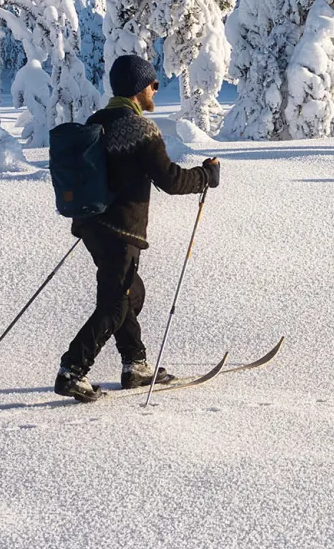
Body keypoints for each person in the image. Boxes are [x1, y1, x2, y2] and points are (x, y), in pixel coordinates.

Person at [54, 54, 220, 402]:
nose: (156, 90)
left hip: (91, 224)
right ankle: (73, 369)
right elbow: (171, 180)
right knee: (116, 303)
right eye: (153, 84)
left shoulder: (98, 120)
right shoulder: (139, 128)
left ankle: (136, 365)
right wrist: (206, 176)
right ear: (139, 88)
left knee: (130, 293)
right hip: (120, 230)